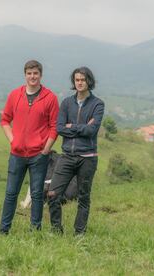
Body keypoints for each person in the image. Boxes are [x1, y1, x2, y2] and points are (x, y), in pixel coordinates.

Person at [0, 60, 59, 235]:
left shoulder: (50, 98)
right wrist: (13, 140)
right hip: (16, 154)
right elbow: (4, 120)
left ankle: (35, 231)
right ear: (25, 75)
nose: (32, 76)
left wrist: (46, 149)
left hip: (39, 155)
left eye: (36, 73)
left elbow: (54, 127)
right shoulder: (15, 95)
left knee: (37, 194)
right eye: (29, 73)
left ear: (40, 75)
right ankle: (3, 230)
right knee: (11, 193)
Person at [47, 66, 105, 235]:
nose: (80, 83)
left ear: (89, 81)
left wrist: (72, 127)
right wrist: (81, 127)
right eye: (77, 80)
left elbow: (91, 131)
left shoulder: (97, 104)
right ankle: (56, 230)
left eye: (83, 80)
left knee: (83, 197)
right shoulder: (66, 103)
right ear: (74, 82)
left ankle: (79, 233)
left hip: (87, 158)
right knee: (52, 193)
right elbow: (59, 128)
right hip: (66, 156)